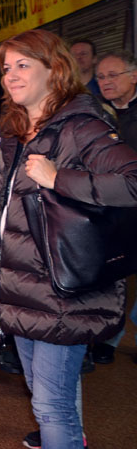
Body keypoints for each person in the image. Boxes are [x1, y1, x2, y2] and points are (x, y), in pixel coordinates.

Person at [0, 29, 137, 449]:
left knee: (51, 405)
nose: (12, 75)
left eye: (23, 65)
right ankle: (73, 448)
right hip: (23, 284)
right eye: (7, 68)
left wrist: (57, 178)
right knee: (47, 396)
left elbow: (132, 183)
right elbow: (4, 213)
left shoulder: (82, 126)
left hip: (64, 287)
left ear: (55, 69)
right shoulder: (16, 132)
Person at [91, 50, 137, 364]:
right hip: (110, 210)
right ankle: (107, 338)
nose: (105, 81)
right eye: (101, 77)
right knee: (113, 276)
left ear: (134, 76)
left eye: (113, 75)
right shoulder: (96, 113)